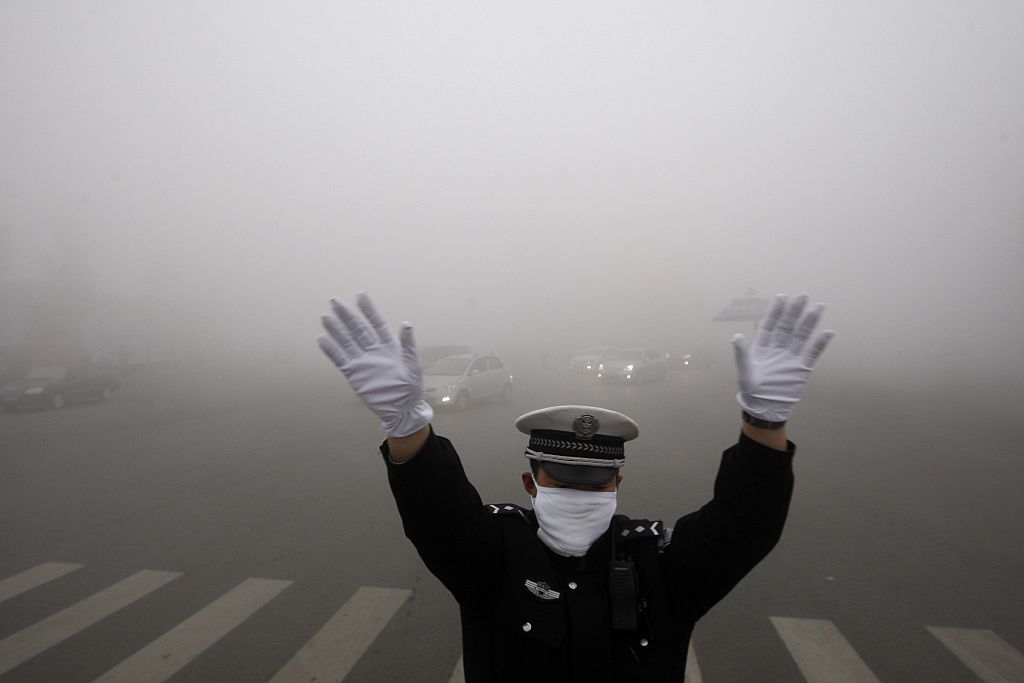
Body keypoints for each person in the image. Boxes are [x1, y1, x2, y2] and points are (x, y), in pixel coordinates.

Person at [317, 292, 834, 683]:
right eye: (563, 476)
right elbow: (437, 512)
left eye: (596, 479)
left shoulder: (659, 565)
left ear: (617, 484)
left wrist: (764, 423)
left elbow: (745, 525)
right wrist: (407, 428)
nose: (581, 490)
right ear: (530, 483)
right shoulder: (493, 557)